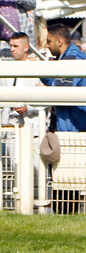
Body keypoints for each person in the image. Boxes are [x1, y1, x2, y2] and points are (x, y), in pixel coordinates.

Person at [0, 32, 43, 209]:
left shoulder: (36, 69)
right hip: (10, 128)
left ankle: (35, 204)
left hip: (31, 128)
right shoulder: (6, 69)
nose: (12, 50)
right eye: (11, 46)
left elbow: (46, 99)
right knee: (12, 169)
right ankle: (13, 205)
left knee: (34, 171)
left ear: (26, 47)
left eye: (16, 46)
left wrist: (28, 108)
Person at [40, 24, 86, 132]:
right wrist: (40, 69)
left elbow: (62, 92)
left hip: (74, 126)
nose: (47, 45)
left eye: (49, 41)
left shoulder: (72, 59)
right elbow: (56, 83)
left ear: (59, 41)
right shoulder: (67, 58)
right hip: (71, 124)